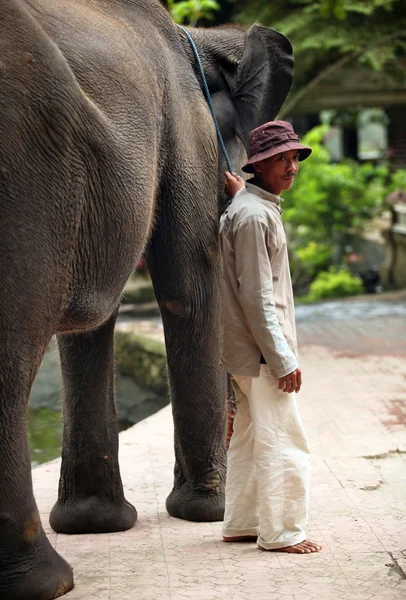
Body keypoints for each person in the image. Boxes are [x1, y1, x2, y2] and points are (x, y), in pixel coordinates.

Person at [220, 120, 322, 554]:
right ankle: (282, 532)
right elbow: (258, 297)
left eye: (294, 157)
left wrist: (239, 194)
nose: (291, 166)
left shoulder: (250, 208)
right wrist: (283, 360)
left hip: (245, 352)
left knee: (247, 436)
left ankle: (242, 523)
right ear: (257, 167)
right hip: (263, 354)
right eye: (280, 159)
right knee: (284, 439)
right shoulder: (253, 216)